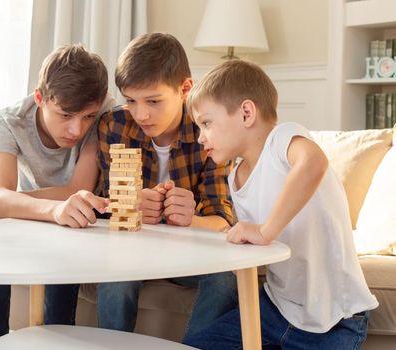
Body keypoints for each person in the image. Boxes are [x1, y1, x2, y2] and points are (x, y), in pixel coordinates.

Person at [183, 59, 379, 349]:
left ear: (247, 113)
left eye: (206, 123)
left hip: (335, 320)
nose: (200, 137)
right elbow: (257, 243)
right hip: (274, 310)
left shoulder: (283, 139)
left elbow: (313, 163)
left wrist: (265, 231)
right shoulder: (236, 176)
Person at [0, 45, 113, 347]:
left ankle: (58, 337)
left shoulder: (104, 113)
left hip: (87, 216)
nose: (77, 128)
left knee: (72, 220)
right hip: (34, 214)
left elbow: (77, 191)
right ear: (39, 98)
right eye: (65, 114)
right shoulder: (10, 120)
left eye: (87, 117)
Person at [96, 32, 238, 341]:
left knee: (225, 280)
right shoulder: (115, 125)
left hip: (188, 252)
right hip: (132, 250)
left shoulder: (208, 133)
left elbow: (223, 220)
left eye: (153, 101)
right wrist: (129, 206)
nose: (141, 114)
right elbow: (106, 205)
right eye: (130, 100)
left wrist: (191, 221)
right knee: (114, 275)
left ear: (185, 89)